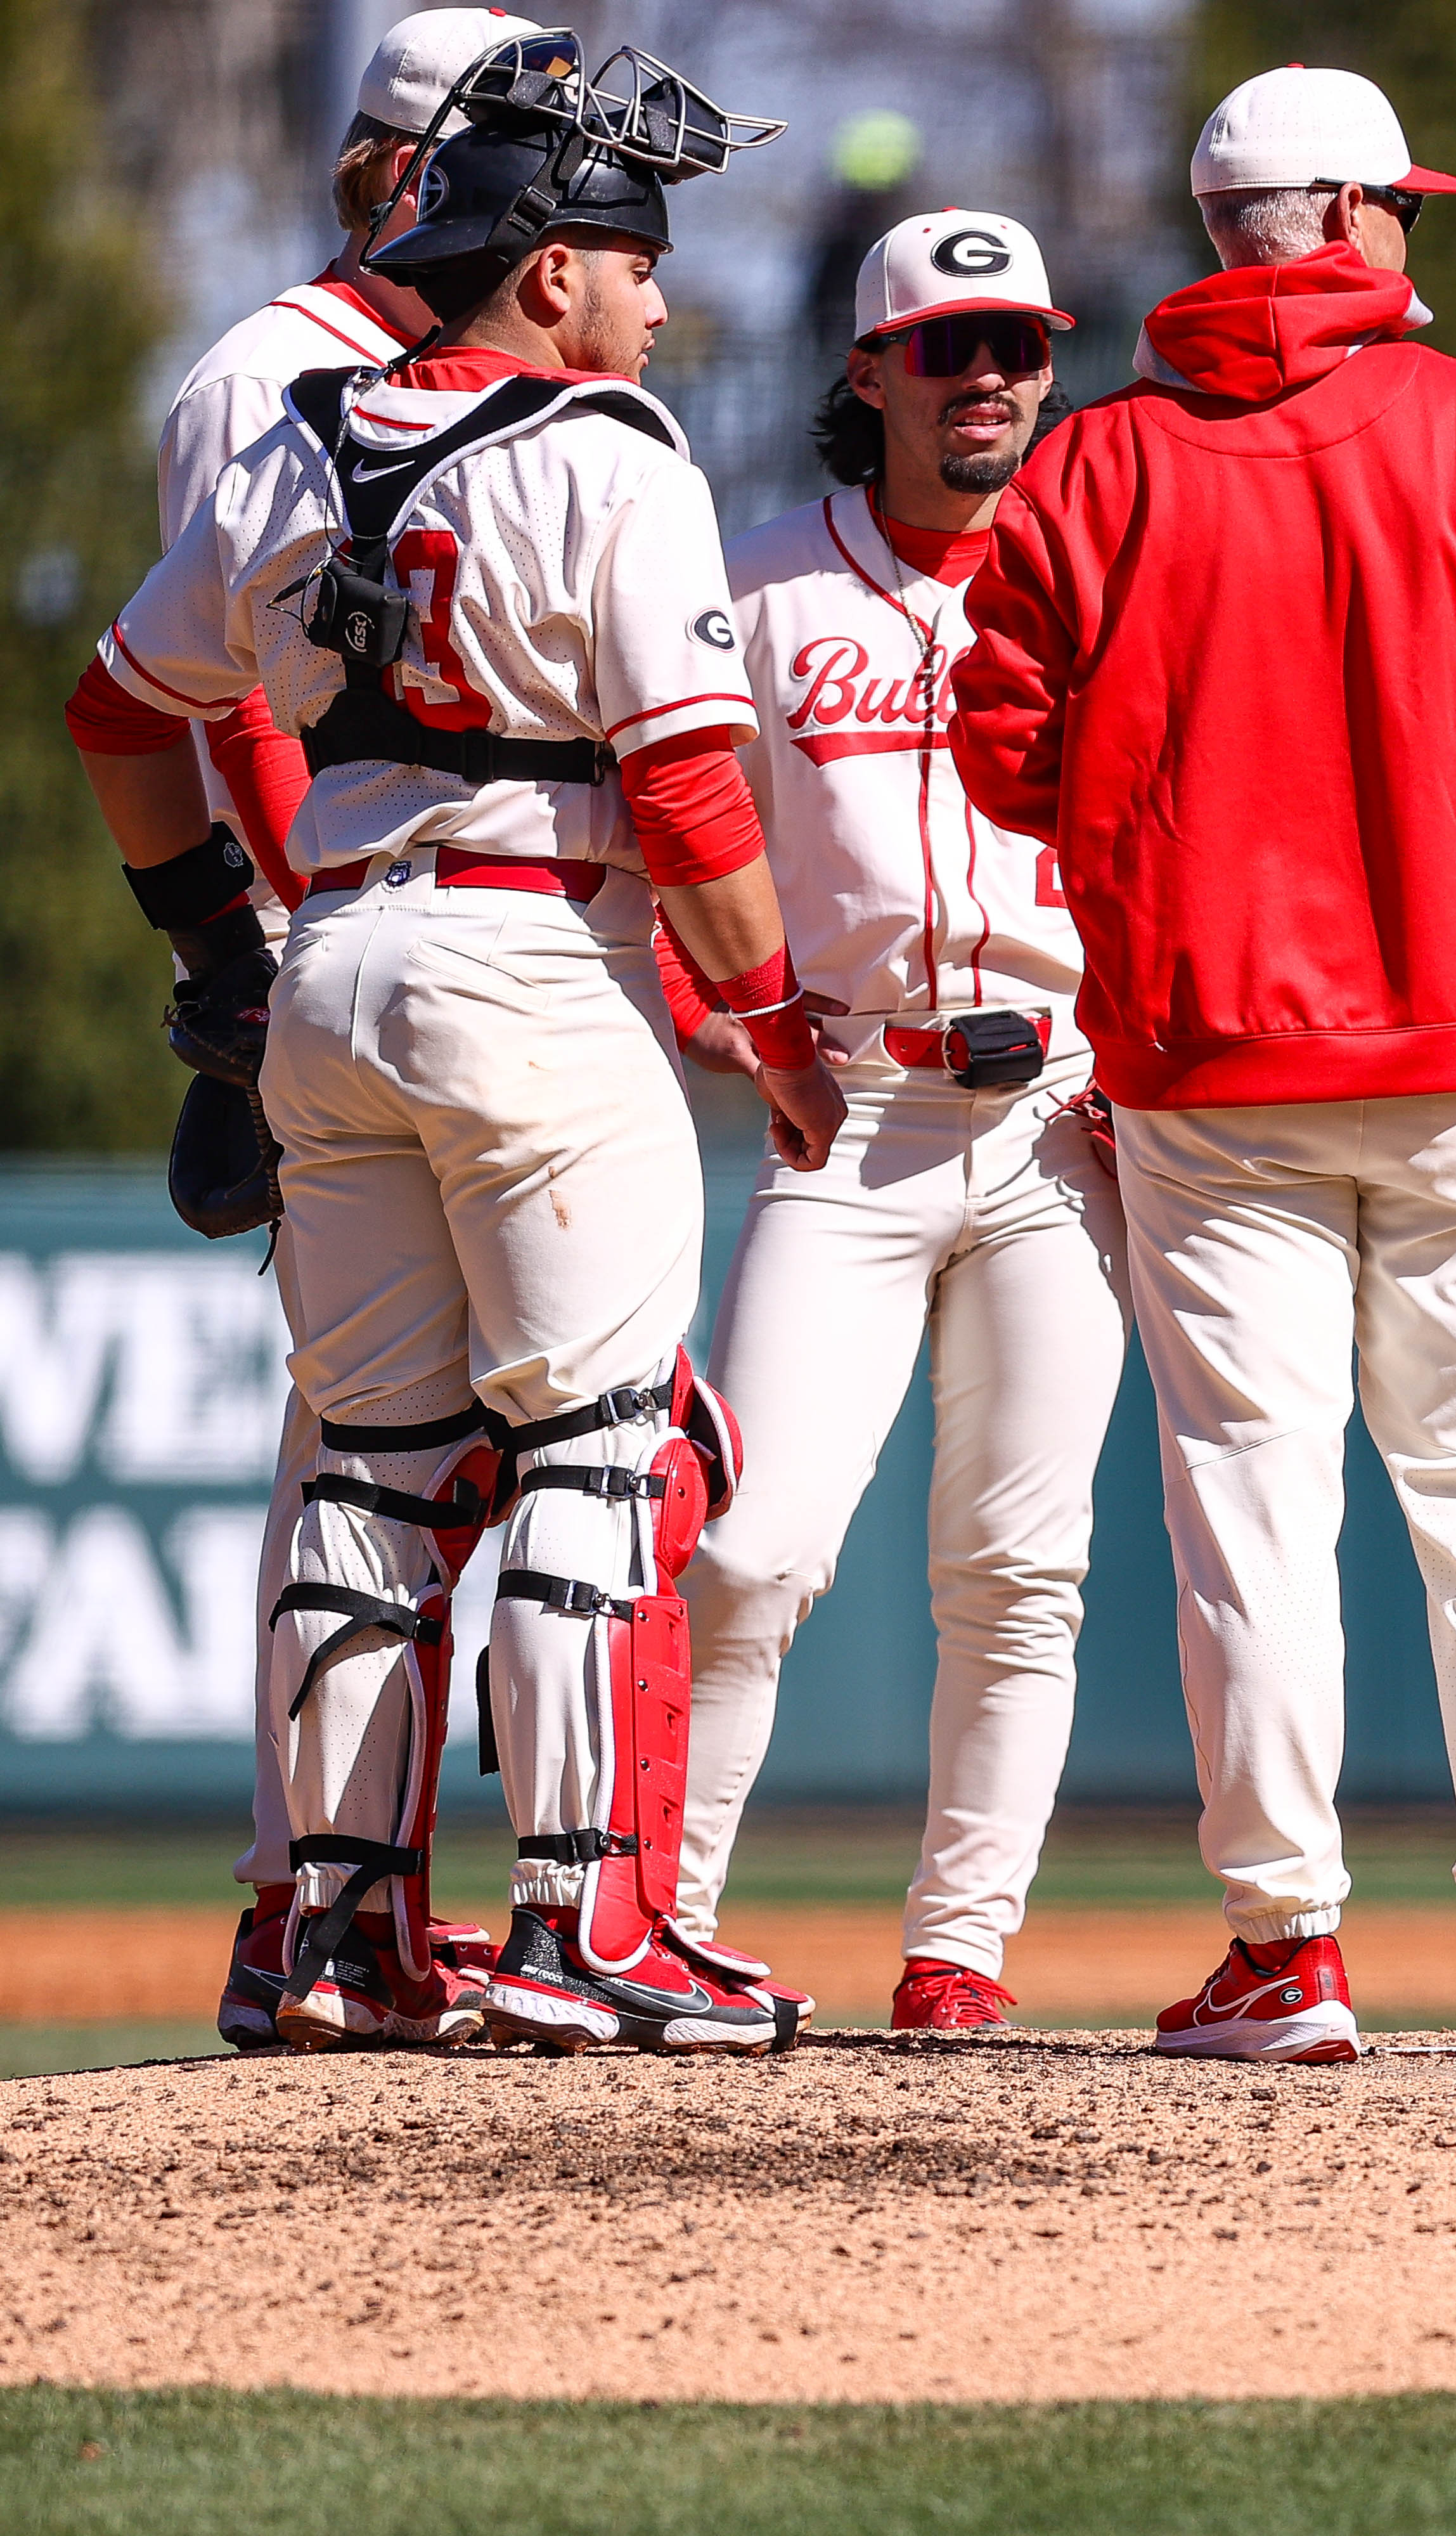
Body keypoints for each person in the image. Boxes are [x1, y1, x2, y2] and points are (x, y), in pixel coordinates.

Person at [68, 32, 838, 2055]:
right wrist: (772, 1029)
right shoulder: (612, 455)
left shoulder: (296, 438)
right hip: (526, 956)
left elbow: (117, 709)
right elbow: (687, 796)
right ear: (552, 266)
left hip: (330, 960)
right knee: (595, 1445)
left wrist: (211, 963)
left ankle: (331, 1941)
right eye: (637, 262)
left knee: (380, 1469)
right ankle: (587, 1931)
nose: (661, 304)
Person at [952, 67, 1456, 2061]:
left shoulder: (1093, 464)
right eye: (1405, 211)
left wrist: (1149, 808)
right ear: (1352, 219)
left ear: (1222, 237)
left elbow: (1001, 743)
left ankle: (1292, 1946)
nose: (1415, 242)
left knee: (1254, 1509)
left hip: (1212, 1059)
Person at [661, 211, 1121, 2034]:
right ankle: (660, 1919)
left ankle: (961, 1955)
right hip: (844, 1114)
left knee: (1024, 1563)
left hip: (1066, 1114)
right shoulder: (763, 584)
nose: (993, 374)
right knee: (748, 1548)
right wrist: (728, 1029)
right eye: (950, 346)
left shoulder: (1112, 572)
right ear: (872, 372)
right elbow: (663, 863)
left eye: (1019, 342)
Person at [170, 4, 542, 2057]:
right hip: (363, 947)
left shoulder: (409, 372)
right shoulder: (277, 371)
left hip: (416, 954)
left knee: (441, 1452)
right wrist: (249, 960)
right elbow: (205, 686)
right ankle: (304, 1906)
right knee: (382, 1450)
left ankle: (353, 1912)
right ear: (415, 173)